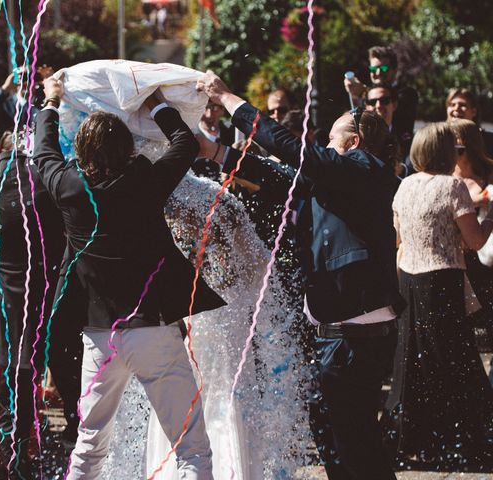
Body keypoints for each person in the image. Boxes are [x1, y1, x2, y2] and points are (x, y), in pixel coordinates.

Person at [197, 70, 404, 480]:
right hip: (337, 332)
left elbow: (294, 153)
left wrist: (231, 99)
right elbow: (284, 177)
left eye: (331, 139)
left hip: (356, 334)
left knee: (355, 443)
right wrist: (217, 152)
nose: (324, 145)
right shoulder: (338, 179)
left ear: (354, 144)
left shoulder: (365, 168)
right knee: (334, 434)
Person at [34, 77, 225, 479]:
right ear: (128, 148)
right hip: (153, 330)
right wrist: (156, 101)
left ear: (82, 150)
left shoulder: (67, 188)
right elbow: (186, 144)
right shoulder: (145, 182)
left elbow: (43, 153)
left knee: (89, 446)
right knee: (190, 448)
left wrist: (50, 103)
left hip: (100, 337)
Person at [381, 123, 493, 469]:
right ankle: (460, 438)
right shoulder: (453, 186)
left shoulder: (405, 186)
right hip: (442, 282)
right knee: (453, 360)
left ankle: (408, 438)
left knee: (410, 360)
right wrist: (489, 217)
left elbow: (398, 238)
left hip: (408, 282)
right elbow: (474, 242)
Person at [0, 131, 67, 476]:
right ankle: (18, 447)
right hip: (37, 296)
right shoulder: (47, 184)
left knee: (7, 370)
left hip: (4, 294)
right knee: (23, 373)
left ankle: (12, 441)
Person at [449, 119, 493, 379]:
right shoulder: (445, 177)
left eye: (459, 148)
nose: (454, 153)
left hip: (488, 261)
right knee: (466, 334)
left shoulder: (488, 172)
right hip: (461, 263)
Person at [344, 45, 418, 151]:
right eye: (373, 69)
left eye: (383, 68)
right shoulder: (368, 93)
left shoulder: (407, 94)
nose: (378, 73)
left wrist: (363, 93)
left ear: (395, 70)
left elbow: (392, 116)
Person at [192, 101, 235, 181]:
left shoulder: (232, 134)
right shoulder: (191, 135)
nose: (209, 115)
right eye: (204, 108)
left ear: (222, 110)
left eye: (214, 108)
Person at [446, 88, 493, 158]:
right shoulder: (440, 140)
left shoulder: (489, 140)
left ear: (474, 112)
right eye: (452, 105)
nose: (456, 108)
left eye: (462, 105)